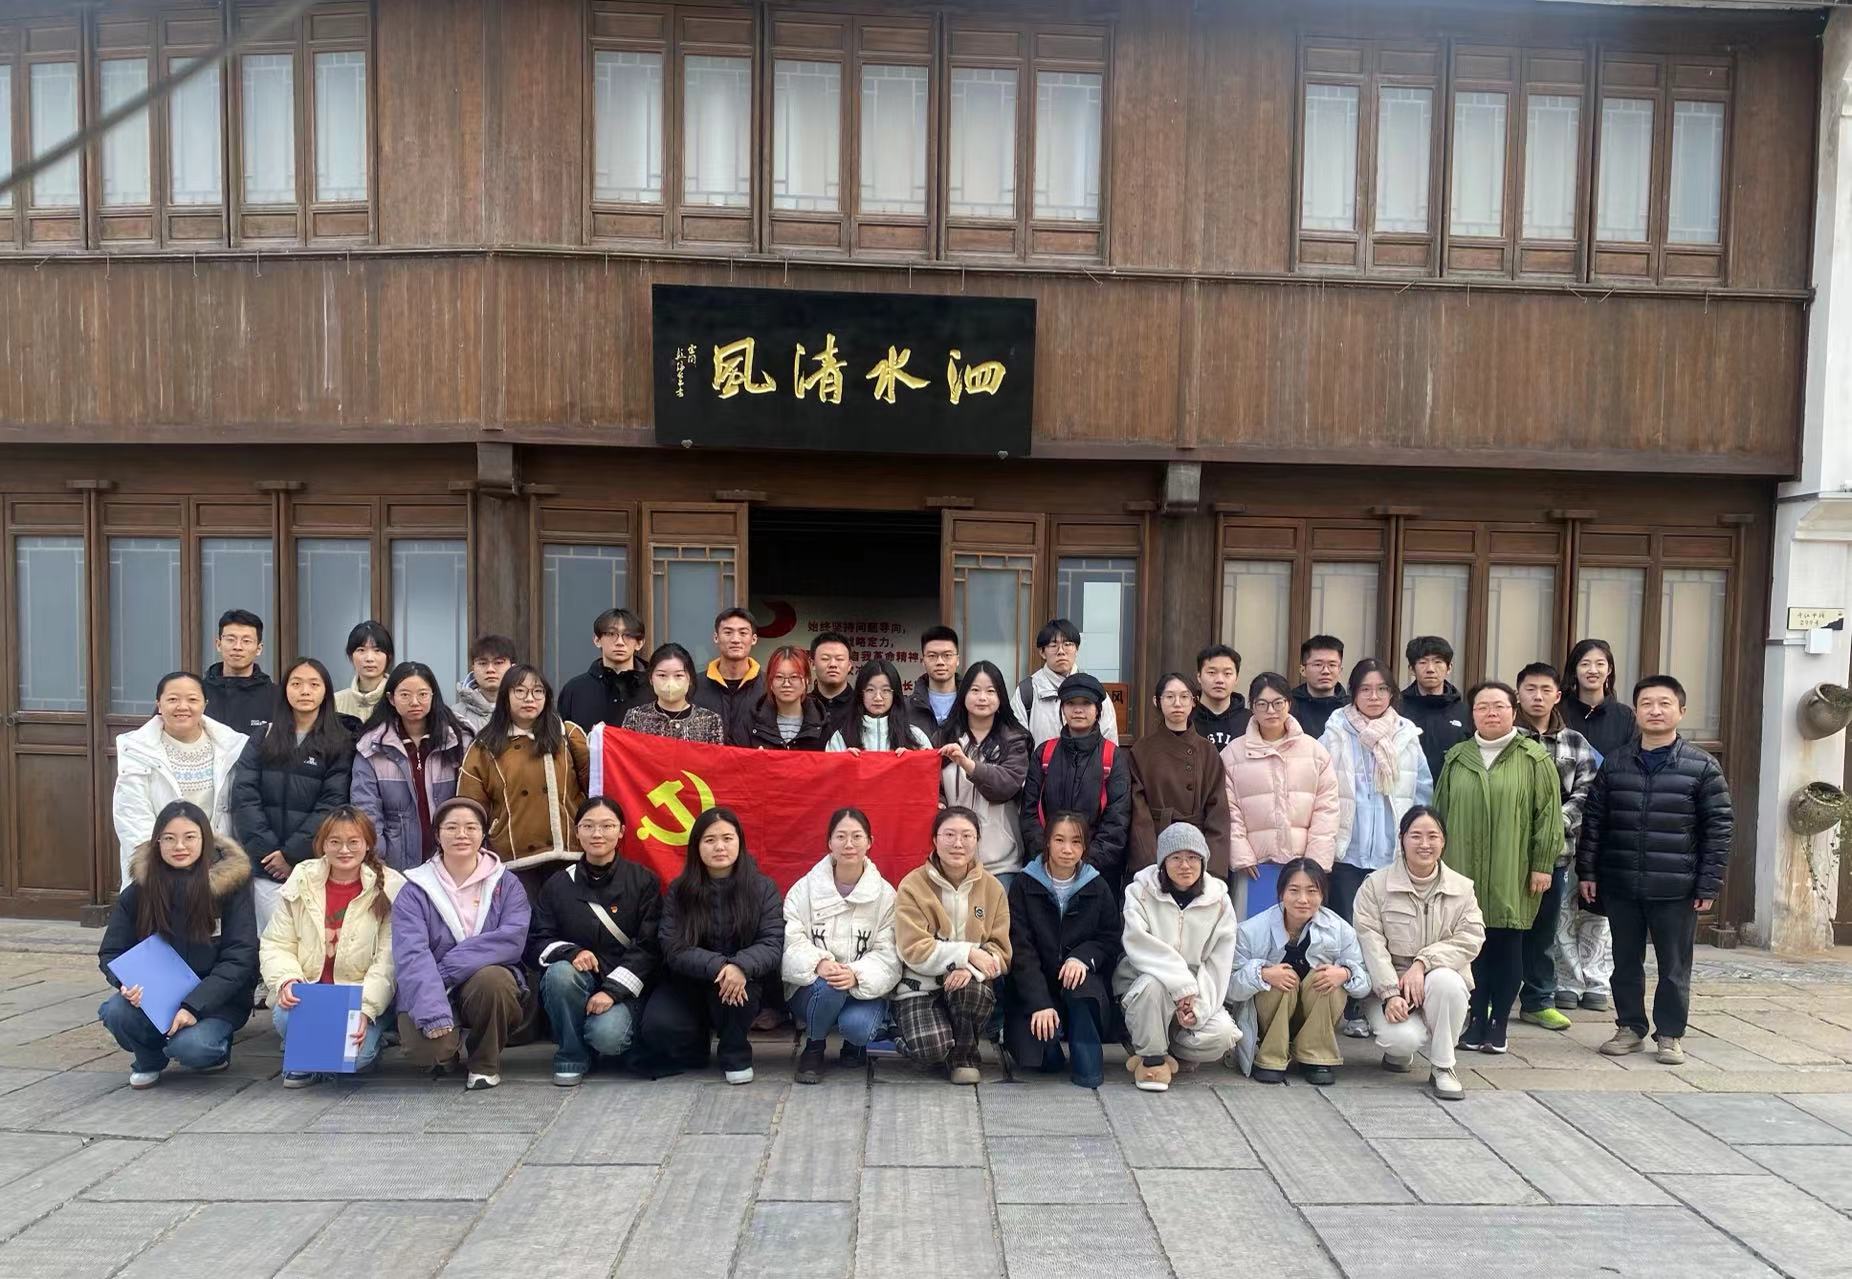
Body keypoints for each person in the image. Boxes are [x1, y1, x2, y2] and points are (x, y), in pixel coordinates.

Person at [1578, 675, 1733, 1067]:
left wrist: (1708, 883)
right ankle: (1630, 1027)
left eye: (1664, 703)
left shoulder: (1702, 766)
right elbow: (1594, 822)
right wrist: (1588, 872)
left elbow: (1718, 828)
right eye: (1646, 704)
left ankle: (1669, 1034)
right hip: (1621, 881)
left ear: (1681, 711)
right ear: (1636, 712)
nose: (1655, 711)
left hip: (1675, 885)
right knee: (1624, 962)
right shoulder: (1616, 763)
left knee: (1674, 966)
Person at [1434, 681, 1562, 1055]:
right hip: (1463, 868)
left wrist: (1542, 864)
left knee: (1507, 946)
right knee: (1470, 948)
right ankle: (1475, 1019)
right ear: (1472, 714)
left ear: (1513, 711)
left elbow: (1548, 817)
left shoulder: (1534, 758)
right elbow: (1439, 813)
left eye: (1499, 706)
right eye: (1482, 707)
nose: (1491, 713)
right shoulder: (1457, 757)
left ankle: (1499, 1023)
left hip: (1513, 870)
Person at [97, 801, 257, 1089]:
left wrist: (193, 1006)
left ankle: (213, 1050)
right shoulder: (141, 889)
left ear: (205, 840)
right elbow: (112, 951)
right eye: (169, 838)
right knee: (115, 1011)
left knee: (194, 1048)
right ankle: (149, 1058)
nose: (179, 846)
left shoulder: (231, 888)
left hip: (216, 1001)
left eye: (189, 837)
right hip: (154, 998)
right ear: (157, 842)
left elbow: (240, 957)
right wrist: (124, 983)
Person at [1320, 657, 1432, 1039]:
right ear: (1353, 693)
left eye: (1382, 689)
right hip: (1348, 850)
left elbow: (1421, 792)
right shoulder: (1335, 732)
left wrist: (1414, 842)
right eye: (1365, 689)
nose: (1373, 696)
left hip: (1389, 851)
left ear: (1392, 693)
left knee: (1386, 932)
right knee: (1349, 928)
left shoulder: (1406, 735)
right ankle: (1352, 1004)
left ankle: (1386, 1001)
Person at [391, 796, 530, 1090]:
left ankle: (484, 1063)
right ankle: (447, 1051)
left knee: (495, 981)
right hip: (431, 984)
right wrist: (432, 1012)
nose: (461, 835)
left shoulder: (506, 883)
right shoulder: (415, 889)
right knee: (427, 1052)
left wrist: (447, 969)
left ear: (483, 833)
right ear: (437, 835)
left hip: (479, 982)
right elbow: (412, 955)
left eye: (471, 827)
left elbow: (512, 939)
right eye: (452, 827)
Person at [259, 806, 403, 1086]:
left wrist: (365, 1009)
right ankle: (310, 1056)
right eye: (335, 841)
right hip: (311, 993)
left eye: (353, 842)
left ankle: (329, 1050)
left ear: (368, 844)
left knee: (357, 1059)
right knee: (285, 1016)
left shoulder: (390, 887)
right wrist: (287, 980)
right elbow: (277, 943)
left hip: (357, 996)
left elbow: (388, 960)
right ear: (322, 845)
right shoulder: (303, 878)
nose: (344, 850)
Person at [639, 807, 784, 1084]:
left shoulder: (762, 888)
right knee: (658, 1027)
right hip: (688, 981)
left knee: (735, 988)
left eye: (727, 838)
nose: (720, 847)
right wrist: (721, 966)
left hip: (742, 981)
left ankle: (735, 1052)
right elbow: (673, 947)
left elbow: (772, 942)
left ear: (740, 842)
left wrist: (740, 966)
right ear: (697, 846)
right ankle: (696, 1045)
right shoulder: (680, 890)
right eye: (710, 840)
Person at [1351, 807, 1484, 1101]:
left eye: (1433, 836)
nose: (1425, 844)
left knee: (1447, 982)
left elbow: (1471, 938)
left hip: (1438, 980)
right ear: (1402, 839)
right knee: (1402, 1040)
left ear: (1443, 841)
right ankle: (1399, 1053)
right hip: (1392, 984)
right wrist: (1390, 994)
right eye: (1416, 836)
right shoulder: (1375, 886)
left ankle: (1443, 1068)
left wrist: (1423, 963)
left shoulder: (1462, 889)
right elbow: (1371, 943)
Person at [529, 796, 661, 1085]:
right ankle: (572, 1055)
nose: (597, 834)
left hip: (624, 987)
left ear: (621, 831)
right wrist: (570, 952)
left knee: (607, 1036)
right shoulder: (558, 884)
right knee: (559, 974)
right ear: (577, 831)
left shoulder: (643, 881)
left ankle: (600, 1033)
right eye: (588, 826)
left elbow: (649, 947)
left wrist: (612, 992)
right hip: (579, 979)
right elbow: (537, 939)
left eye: (607, 826)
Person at [229, 657, 353, 932]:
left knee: (315, 940)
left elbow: (332, 803)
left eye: (314, 684)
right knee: (271, 940)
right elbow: (245, 795)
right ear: (285, 689)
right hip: (266, 867)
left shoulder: (340, 741)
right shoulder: (263, 736)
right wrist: (271, 854)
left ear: (326, 691)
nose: (305, 691)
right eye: (296, 684)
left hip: (315, 864)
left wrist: (292, 854)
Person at [1113, 822, 1240, 1092]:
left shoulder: (1220, 901)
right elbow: (1139, 944)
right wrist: (1181, 985)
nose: (1185, 865)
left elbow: (1218, 964)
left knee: (1224, 1034)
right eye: (1176, 858)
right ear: (1163, 862)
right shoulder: (1139, 892)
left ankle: (1171, 1049)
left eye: (1193, 857)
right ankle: (1152, 1058)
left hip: (1195, 992)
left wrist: (1198, 1008)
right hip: (1146, 983)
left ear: (1203, 862)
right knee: (1153, 986)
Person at [781, 808, 901, 1084]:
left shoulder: (886, 896)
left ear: (870, 842)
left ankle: (854, 1044)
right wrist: (819, 963)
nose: (849, 844)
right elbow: (791, 939)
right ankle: (814, 1047)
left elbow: (889, 954)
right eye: (841, 837)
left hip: (863, 990)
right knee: (830, 986)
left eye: (857, 836)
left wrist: (856, 974)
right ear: (829, 843)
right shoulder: (804, 889)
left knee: (859, 1027)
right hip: (813, 988)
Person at [893, 807, 1012, 1084]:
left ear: (977, 840)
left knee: (972, 992)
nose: (958, 843)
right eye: (949, 835)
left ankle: (964, 1056)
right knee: (930, 1049)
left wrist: (970, 968)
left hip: (967, 984)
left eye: (967, 836)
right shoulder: (913, 885)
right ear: (935, 840)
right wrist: (965, 954)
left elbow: (1001, 951)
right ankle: (907, 1036)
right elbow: (913, 948)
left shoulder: (993, 888)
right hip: (919, 986)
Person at [1227, 857, 1370, 1084]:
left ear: (1323, 894)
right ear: (1281, 892)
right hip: (1267, 1020)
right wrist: (1262, 974)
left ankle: (1316, 1057)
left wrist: (1345, 973)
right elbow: (1230, 990)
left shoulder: (1340, 930)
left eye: (1312, 891)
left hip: (1316, 1015)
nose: (1303, 899)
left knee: (1325, 978)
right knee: (1282, 979)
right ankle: (1271, 1056)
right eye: (1294, 890)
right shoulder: (1250, 931)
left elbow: (1364, 984)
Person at [1513, 662, 1601, 1033]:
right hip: (1508, 851)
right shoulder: (1507, 737)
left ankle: (1538, 1001)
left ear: (1558, 695)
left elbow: (1587, 792)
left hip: (1556, 853)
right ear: (1518, 694)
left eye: (1545, 690)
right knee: (1500, 928)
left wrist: (1551, 826)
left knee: (1544, 930)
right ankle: (1492, 996)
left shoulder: (1575, 742)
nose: (1537, 696)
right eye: (1530, 689)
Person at [1006, 812, 1120, 1088]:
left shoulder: (1097, 885)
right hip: (1037, 984)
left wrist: (1082, 958)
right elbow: (1020, 948)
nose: (1067, 849)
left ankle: (1086, 1062)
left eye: (1076, 841)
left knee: (1081, 985)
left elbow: (1109, 938)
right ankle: (1051, 1045)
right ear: (1047, 842)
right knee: (1039, 1059)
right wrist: (1039, 1002)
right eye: (1059, 840)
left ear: (1084, 846)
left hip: (1078, 982)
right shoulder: (1024, 884)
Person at [457, 665, 591, 885]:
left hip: (569, 853)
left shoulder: (567, 734)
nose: (529, 699)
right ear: (505, 696)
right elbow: (470, 806)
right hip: (514, 858)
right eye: (520, 691)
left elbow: (595, 789)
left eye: (537, 691)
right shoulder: (484, 746)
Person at [113, 672, 249, 888]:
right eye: (173, 699)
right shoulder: (137, 750)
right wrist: (163, 862)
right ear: (159, 704)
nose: (183, 706)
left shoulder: (232, 746)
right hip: (160, 866)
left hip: (215, 866)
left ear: (205, 704)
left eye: (192, 699)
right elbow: (132, 816)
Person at [1221, 672, 1339, 916]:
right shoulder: (1233, 754)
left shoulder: (1314, 751)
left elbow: (1327, 809)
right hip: (1255, 867)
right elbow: (1228, 808)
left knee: (1301, 928)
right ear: (1252, 707)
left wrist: (1315, 860)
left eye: (1278, 703)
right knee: (1253, 930)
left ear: (1289, 703)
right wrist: (1242, 855)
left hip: (1303, 866)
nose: (1270, 711)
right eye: (1262, 704)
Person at [350, 662, 475, 873]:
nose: (415, 702)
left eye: (423, 694)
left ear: (433, 696)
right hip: (395, 861)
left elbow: (472, 799)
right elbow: (366, 809)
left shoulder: (458, 740)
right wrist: (377, 860)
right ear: (391, 699)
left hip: (451, 857)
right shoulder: (372, 747)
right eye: (405, 695)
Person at [1019, 673, 1131, 881]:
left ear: (1098, 710)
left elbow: (1117, 820)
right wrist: (1049, 857)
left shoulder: (1112, 757)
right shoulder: (1044, 753)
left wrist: (1083, 864)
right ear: (1062, 708)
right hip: (1045, 869)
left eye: (1086, 703)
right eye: (1071, 703)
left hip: (1097, 874)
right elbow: (1029, 813)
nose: (1078, 710)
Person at [1128, 672, 1232, 879]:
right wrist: (1151, 863)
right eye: (1169, 696)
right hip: (1157, 842)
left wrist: (1212, 868)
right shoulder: (1141, 750)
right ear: (1157, 701)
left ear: (1194, 701)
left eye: (1184, 697)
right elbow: (1139, 812)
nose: (1177, 703)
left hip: (1197, 847)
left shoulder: (1207, 750)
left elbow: (1218, 809)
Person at [937, 661, 1033, 883]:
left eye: (991, 691)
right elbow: (932, 785)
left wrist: (968, 765)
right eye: (975, 690)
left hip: (1001, 863)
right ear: (963, 696)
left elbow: (1005, 786)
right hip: (952, 860)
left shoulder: (1015, 740)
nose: (982, 698)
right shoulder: (944, 737)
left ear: (1001, 699)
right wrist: (939, 802)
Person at [1011, 618, 1120, 745]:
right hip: (1041, 759)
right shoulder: (1027, 692)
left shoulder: (1094, 690)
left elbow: (1109, 742)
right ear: (1042, 652)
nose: (1061, 651)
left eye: (1067, 644)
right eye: (1053, 645)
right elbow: (1016, 746)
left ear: (1076, 649)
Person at [558, 607, 649, 732]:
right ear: (597, 640)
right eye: (611, 634)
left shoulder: (655, 688)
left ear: (639, 643)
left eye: (628, 635)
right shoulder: (575, 689)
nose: (620, 642)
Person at [621, 643, 727, 744]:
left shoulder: (710, 720)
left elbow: (715, 756)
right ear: (650, 678)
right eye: (662, 675)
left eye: (678, 675)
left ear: (690, 679)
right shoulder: (635, 717)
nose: (670, 683)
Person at [825, 659, 934, 752]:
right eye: (870, 690)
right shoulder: (841, 737)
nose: (878, 697)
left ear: (895, 694)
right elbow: (828, 770)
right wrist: (843, 762)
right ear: (860, 693)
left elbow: (930, 768)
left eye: (886, 690)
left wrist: (912, 762)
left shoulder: (915, 736)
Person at [732, 645, 827, 749]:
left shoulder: (822, 723)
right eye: (779, 677)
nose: (786, 684)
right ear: (770, 681)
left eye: (794, 677)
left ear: (807, 680)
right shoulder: (750, 722)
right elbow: (734, 756)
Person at [1401, 636, 1468, 782]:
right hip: (1408, 790)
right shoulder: (1397, 710)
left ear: (1449, 668)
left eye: (1438, 662)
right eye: (1423, 662)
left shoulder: (1465, 712)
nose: (1430, 669)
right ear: (1411, 669)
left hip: (1452, 790)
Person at [1561, 638, 1638, 760]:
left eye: (1600, 664)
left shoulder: (1625, 715)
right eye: (1585, 664)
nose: (1593, 670)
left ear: (1609, 670)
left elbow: (1631, 760)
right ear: (1574, 670)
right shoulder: (1559, 712)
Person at [202, 609, 273, 737]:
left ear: (259, 649)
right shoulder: (198, 694)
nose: (237, 647)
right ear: (218, 644)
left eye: (246, 641)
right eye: (230, 639)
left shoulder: (276, 697)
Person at [694, 607, 761, 727]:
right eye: (728, 632)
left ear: (754, 639)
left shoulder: (768, 686)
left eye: (743, 633)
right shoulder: (694, 686)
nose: (735, 640)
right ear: (716, 637)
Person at [333, 620, 394, 732]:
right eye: (361, 650)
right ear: (351, 656)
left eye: (377, 650)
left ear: (388, 656)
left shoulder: (397, 699)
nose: (369, 658)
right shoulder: (335, 702)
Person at [454, 634, 518, 734]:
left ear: (513, 668)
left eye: (498, 662)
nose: (490, 669)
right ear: (473, 669)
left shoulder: (528, 709)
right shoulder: (454, 715)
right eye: (483, 663)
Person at [1291, 636, 1351, 740]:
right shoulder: (1289, 706)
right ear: (1303, 670)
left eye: (1332, 665)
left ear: (1340, 670)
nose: (1326, 671)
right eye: (1318, 664)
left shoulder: (1351, 707)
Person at [1190, 644, 1249, 750]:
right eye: (1212, 672)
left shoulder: (1250, 721)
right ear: (1199, 676)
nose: (1219, 680)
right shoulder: (1185, 717)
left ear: (1236, 679)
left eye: (1227, 673)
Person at [907, 626, 962, 729]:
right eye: (932, 656)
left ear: (957, 660)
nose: (940, 662)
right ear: (923, 661)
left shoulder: (971, 704)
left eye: (947, 655)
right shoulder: (907, 709)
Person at [807, 631, 858, 740]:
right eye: (825, 659)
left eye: (839, 659)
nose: (833, 664)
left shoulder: (862, 705)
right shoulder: (801, 705)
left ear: (849, 665)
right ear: (812, 664)